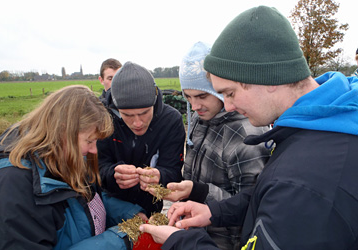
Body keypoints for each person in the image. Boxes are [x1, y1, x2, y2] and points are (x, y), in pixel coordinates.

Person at [139, 5, 358, 250]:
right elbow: (267, 197)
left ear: (269, 77)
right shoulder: (318, 128)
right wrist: (214, 211)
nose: (228, 106)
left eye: (229, 93)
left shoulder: (304, 179)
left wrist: (181, 242)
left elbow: (286, 193)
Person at [0, 85, 147, 249]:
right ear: (63, 131)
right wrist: (121, 238)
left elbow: (89, 200)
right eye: (89, 141)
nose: (94, 150)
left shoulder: (66, 156)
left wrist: (130, 215)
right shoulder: (10, 187)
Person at [147, 41, 270, 250]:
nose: (195, 106)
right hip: (193, 235)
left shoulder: (247, 133)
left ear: (220, 89)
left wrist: (199, 192)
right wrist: (185, 190)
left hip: (225, 243)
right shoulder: (198, 118)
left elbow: (253, 204)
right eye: (188, 97)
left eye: (202, 96)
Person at [97, 61, 185, 217]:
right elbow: (96, 167)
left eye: (144, 113)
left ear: (154, 102)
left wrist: (160, 176)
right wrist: (113, 175)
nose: (137, 123)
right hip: (108, 206)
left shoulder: (171, 120)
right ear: (116, 109)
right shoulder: (103, 116)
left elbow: (174, 170)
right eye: (128, 115)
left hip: (150, 208)